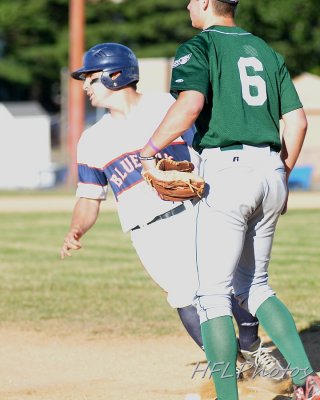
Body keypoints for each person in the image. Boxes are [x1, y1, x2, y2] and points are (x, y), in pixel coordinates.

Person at [60, 42, 284, 381]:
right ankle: (233, 369)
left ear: (115, 74)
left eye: (90, 78)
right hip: (146, 231)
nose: (85, 86)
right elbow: (90, 198)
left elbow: (208, 146)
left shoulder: (166, 106)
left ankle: (253, 347)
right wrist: (76, 230)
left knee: (227, 285)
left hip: (197, 208)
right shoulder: (92, 140)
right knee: (183, 296)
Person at [139, 1, 320, 399]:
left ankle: (226, 395)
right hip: (272, 169)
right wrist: (281, 177)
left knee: (211, 297)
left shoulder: (201, 45)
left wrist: (149, 151)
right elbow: (298, 120)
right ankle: (308, 378)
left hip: (228, 171)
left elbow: (190, 105)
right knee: (255, 285)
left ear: (205, 2)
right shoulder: (267, 51)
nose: (187, 5)